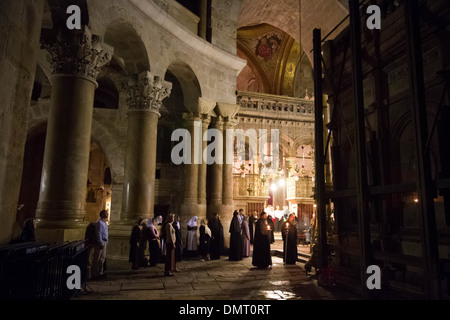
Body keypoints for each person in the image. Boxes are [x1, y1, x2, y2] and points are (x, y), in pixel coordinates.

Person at [92, 210, 109, 279]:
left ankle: (100, 272)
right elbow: (98, 233)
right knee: (97, 257)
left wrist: (107, 242)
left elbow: (106, 233)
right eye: (105, 213)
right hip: (100, 242)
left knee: (102, 258)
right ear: (102, 215)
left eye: (107, 213)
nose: (107, 214)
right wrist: (100, 242)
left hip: (104, 242)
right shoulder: (99, 223)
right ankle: (95, 274)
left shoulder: (105, 223)